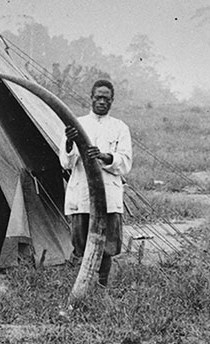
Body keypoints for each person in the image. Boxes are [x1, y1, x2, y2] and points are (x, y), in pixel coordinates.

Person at [59, 79, 132, 287]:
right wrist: (71, 141)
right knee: (81, 243)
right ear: (91, 98)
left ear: (112, 101)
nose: (102, 102)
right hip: (82, 195)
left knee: (107, 245)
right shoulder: (77, 124)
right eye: (98, 97)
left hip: (108, 196)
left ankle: (101, 287)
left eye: (106, 99)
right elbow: (66, 161)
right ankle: (81, 286)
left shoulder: (120, 127)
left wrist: (105, 157)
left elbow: (125, 163)